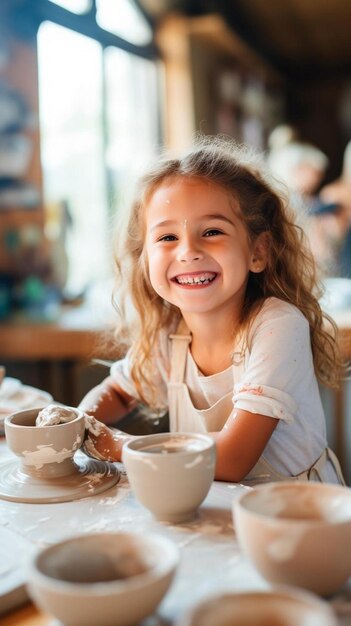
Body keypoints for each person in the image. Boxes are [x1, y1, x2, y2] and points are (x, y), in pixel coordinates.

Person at [80, 135, 345, 485]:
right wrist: (78, 423)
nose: (188, 251)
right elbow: (118, 391)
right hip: (214, 509)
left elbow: (233, 459)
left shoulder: (277, 326)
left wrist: (116, 445)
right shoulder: (167, 333)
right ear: (143, 258)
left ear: (258, 252)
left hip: (295, 520)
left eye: (212, 231)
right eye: (167, 237)